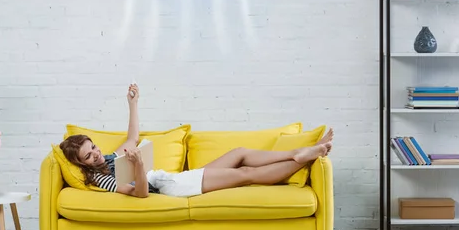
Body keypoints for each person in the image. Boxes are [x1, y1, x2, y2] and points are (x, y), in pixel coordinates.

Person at [59, 84, 333, 198]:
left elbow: (133, 138)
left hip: (176, 177)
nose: (95, 154)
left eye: (93, 147)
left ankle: (298, 152)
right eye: (88, 156)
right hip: (172, 188)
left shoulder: (108, 158)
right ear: (80, 164)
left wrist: (133, 104)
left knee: (239, 153)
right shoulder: (101, 179)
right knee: (246, 174)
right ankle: (300, 161)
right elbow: (140, 193)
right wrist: (139, 166)